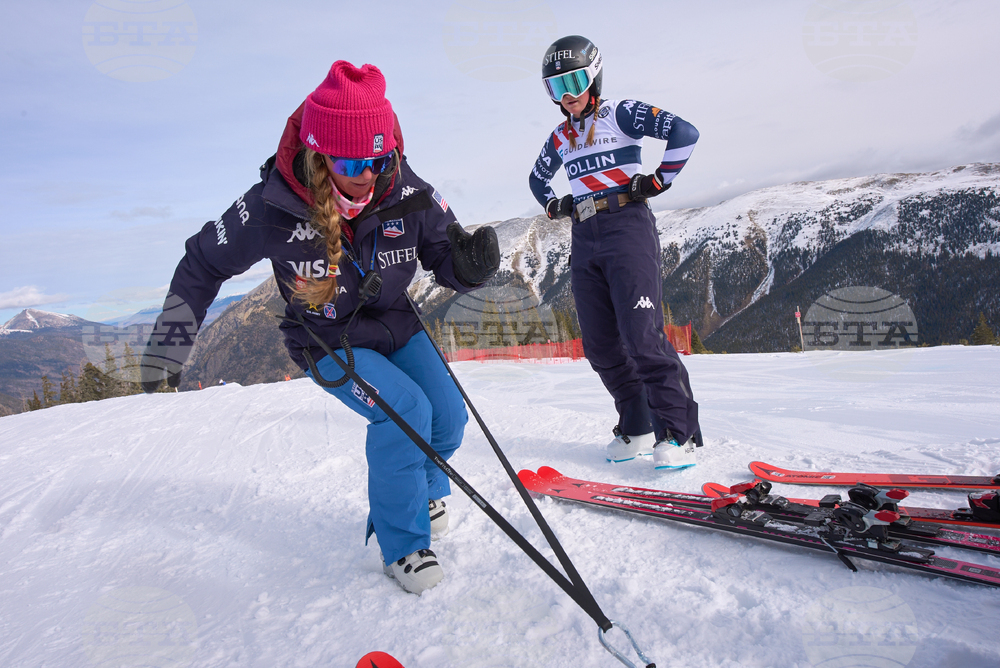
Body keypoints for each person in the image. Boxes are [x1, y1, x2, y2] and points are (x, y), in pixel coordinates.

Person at [140, 61, 500, 594]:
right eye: (354, 160)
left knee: (446, 418)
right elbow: (202, 262)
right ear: (318, 154)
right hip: (327, 339)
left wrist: (466, 268)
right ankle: (404, 546)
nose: (369, 173)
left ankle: (420, 486)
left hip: (398, 324)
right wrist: (169, 348)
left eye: (380, 157)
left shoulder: (405, 186)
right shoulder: (269, 205)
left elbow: (443, 251)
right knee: (405, 412)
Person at [528, 36, 702, 469]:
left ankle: (679, 435)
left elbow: (685, 133)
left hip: (627, 227)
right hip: (584, 235)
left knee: (641, 336)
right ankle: (638, 426)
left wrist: (658, 180)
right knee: (601, 343)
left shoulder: (620, 113)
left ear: (595, 76)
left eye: (574, 82)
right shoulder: (560, 137)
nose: (567, 96)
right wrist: (555, 204)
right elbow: (536, 179)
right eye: (556, 88)